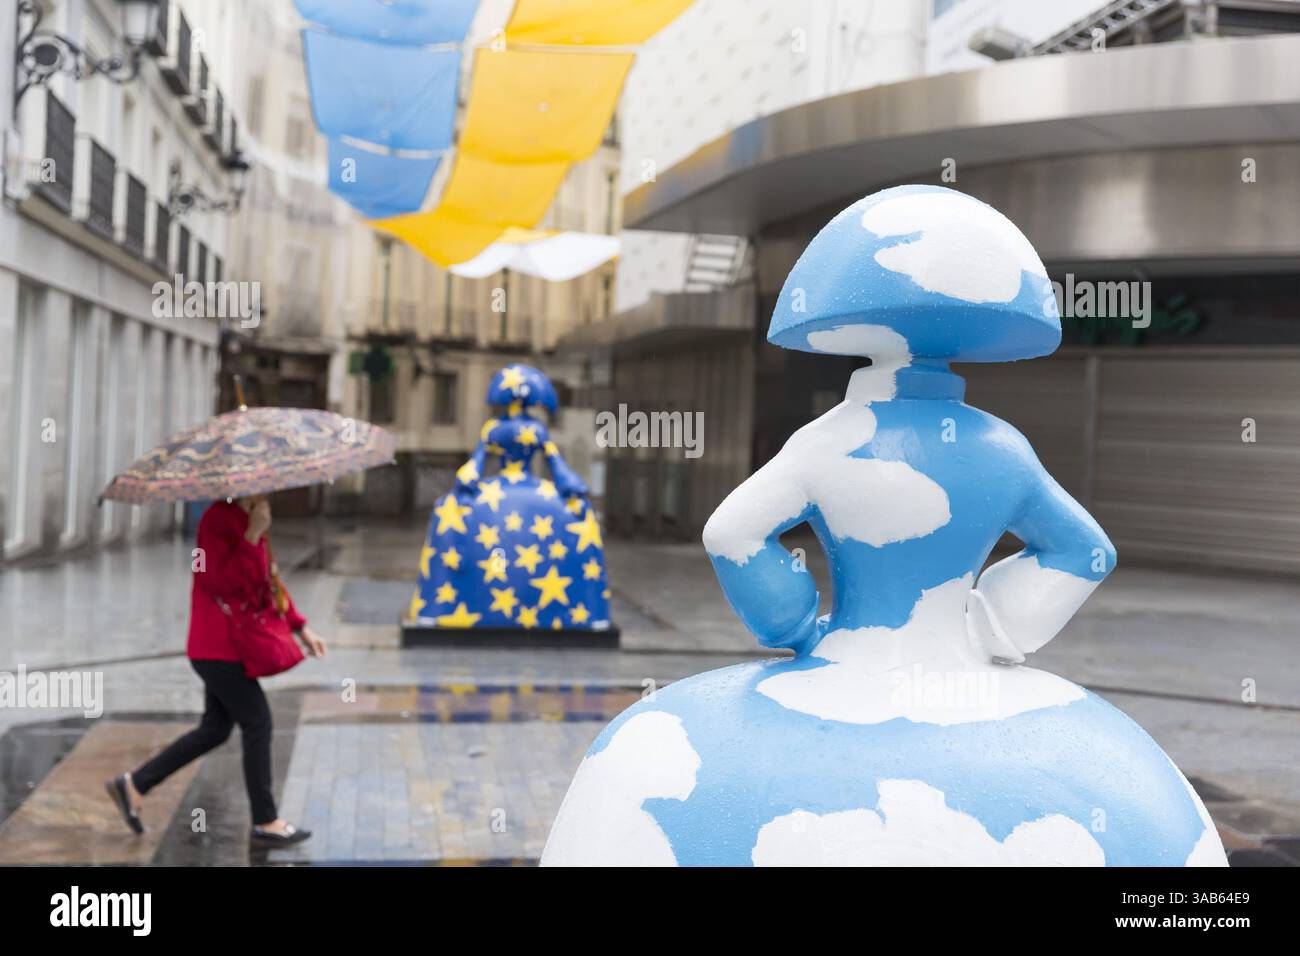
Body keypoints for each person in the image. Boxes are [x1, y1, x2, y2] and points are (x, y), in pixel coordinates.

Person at [105, 494, 326, 846]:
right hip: (217, 648)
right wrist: (251, 536)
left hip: (234, 647)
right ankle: (265, 821)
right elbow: (217, 582)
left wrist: (301, 627)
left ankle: (134, 785)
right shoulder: (215, 521)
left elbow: (269, 583)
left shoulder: (254, 517)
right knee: (258, 722)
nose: (264, 490)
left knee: (215, 729)